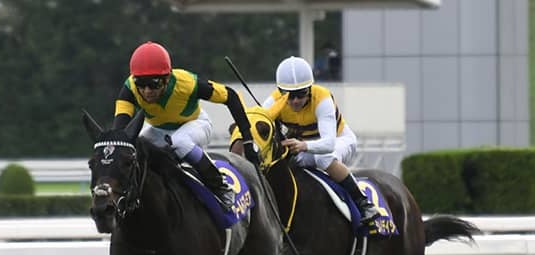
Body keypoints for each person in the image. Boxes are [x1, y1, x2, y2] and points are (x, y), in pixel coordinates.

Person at [232, 56, 380, 226]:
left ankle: (364, 203)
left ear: (309, 89)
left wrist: (303, 145)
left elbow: (329, 144)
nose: (295, 101)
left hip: (339, 141)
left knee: (323, 158)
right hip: (302, 145)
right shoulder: (273, 101)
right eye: (289, 95)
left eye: (301, 94)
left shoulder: (322, 99)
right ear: (280, 92)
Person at [112, 41, 256, 211]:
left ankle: (221, 186)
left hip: (196, 124)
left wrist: (248, 140)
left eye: (154, 83)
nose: (147, 91)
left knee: (179, 141)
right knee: (136, 147)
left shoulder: (187, 83)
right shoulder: (129, 89)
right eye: (141, 84)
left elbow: (230, 96)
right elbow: (119, 132)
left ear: (167, 79)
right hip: (159, 130)